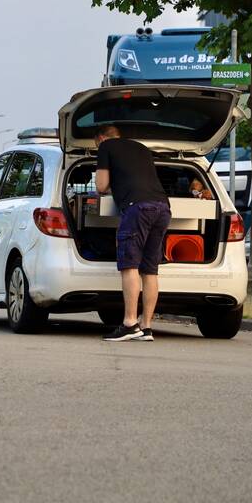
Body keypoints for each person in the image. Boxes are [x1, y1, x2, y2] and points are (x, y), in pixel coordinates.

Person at [95, 125, 171, 342]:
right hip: (162, 207)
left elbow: (101, 185)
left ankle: (129, 323)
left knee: (130, 265)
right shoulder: (141, 148)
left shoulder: (106, 146)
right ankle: (146, 326)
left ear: (101, 138)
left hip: (137, 208)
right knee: (150, 270)